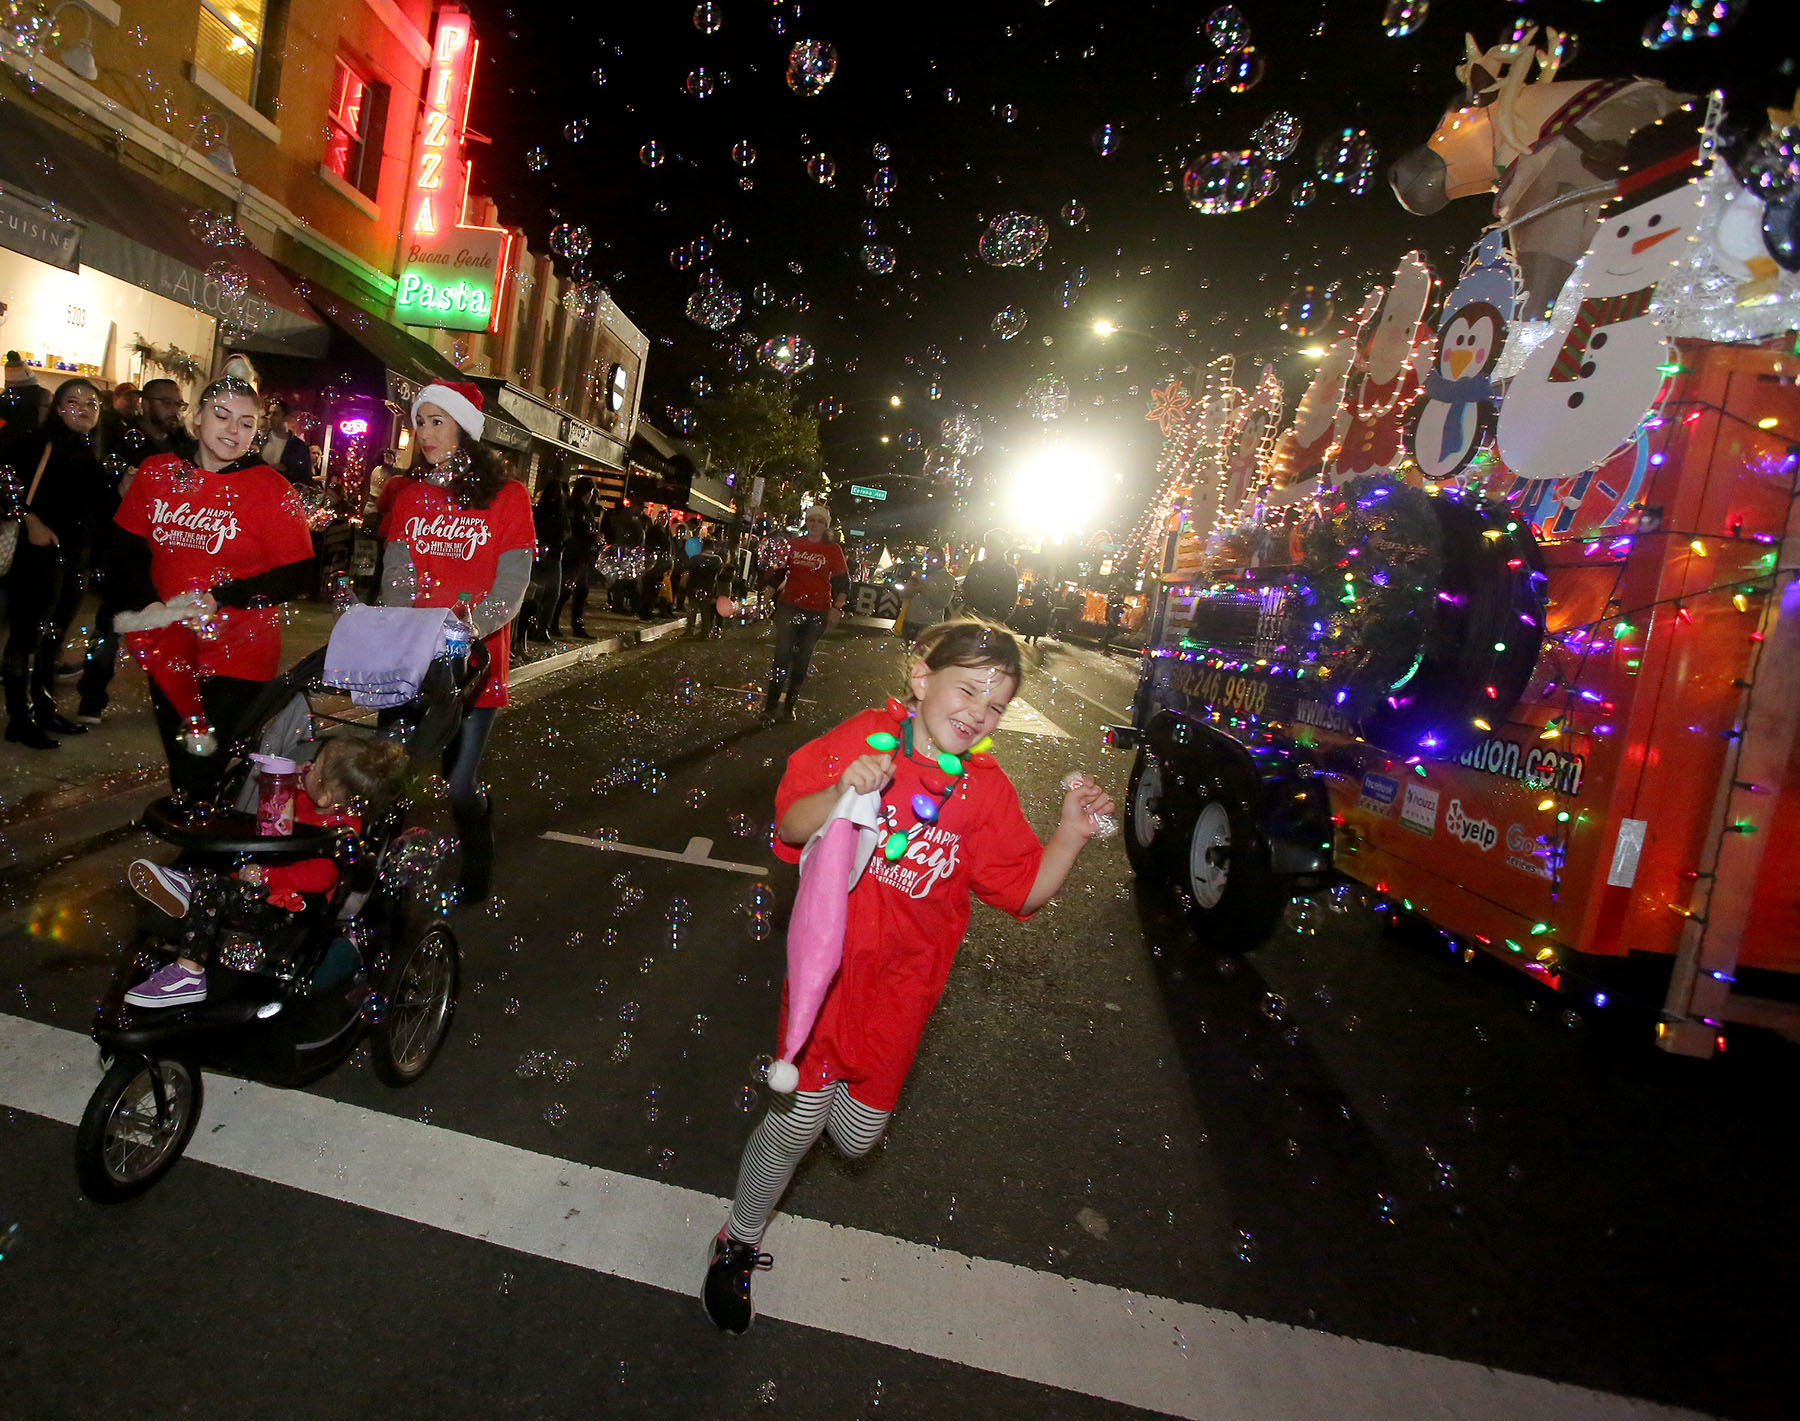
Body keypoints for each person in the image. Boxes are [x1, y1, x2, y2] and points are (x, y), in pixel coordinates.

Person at [703, 620, 1116, 1333]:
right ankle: (737, 1241)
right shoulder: (867, 738)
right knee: (797, 1120)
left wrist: (1072, 834)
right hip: (828, 981)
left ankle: (807, 1121)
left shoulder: (985, 791)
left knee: (858, 1138)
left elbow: (1023, 891)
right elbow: (793, 825)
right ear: (921, 678)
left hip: (903, 993)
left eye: (996, 705)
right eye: (968, 690)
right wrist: (843, 791)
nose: (978, 713)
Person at [103, 376, 315, 794]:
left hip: (240, 651)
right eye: (221, 416)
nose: (233, 431)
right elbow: (124, 551)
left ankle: (200, 855)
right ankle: (201, 842)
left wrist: (222, 598)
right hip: (168, 643)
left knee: (200, 764)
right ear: (196, 417)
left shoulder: (269, 488)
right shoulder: (158, 472)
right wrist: (144, 603)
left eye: (246, 423)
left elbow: (299, 574)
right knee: (182, 765)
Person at [380, 380, 533, 905]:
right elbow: (396, 577)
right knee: (391, 771)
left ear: (465, 429)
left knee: (458, 784)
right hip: (411, 660)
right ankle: (378, 874)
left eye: (437, 420)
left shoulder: (509, 498)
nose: (424, 432)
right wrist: (402, 630)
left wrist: (460, 631)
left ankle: (478, 858)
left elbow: (511, 589)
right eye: (419, 421)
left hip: (473, 666)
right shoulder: (409, 497)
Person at [121, 735, 411, 1007]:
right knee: (212, 874)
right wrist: (286, 786)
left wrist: (267, 876)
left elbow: (323, 876)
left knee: (215, 891)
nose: (306, 765)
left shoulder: (341, 832)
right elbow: (274, 820)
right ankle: (188, 887)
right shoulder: (310, 804)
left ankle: (189, 973)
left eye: (316, 765)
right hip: (263, 892)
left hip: (290, 912)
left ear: (326, 795)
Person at [75, 377, 200, 724]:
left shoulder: (183, 446)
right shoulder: (121, 441)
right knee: (109, 624)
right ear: (145, 402)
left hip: (168, 549)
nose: (174, 411)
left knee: (169, 625)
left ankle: (168, 698)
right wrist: (119, 488)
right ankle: (92, 696)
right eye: (166, 402)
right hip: (127, 546)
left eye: (179, 404)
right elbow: (101, 493)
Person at [1, 378, 108, 748]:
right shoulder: (37, 443)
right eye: (73, 400)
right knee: (28, 636)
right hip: (37, 558)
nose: (83, 407)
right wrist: (30, 520)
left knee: (53, 636)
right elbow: (5, 481)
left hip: (74, 559)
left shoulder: (88, 450)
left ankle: (43, 708)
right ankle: (21, 716)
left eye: (92, 403)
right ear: (58, 407)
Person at [763, 504, 849, 723]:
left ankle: (789, 705)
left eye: (820, 521)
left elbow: (842, 583)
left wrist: (836, 608)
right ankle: (769, 708)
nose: (815, 524)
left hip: (817, 611)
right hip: (790, 606)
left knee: (801, 660)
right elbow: (780, 571)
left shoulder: (833, 550)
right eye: (812, 520)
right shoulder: (794, 545)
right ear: (806, 522)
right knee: (781, 658)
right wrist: (768, 592)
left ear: (826, 525)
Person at [518, 476, 566, 653]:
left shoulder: (544, 512)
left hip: (546, 556)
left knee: (541, 595)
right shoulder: (556, 513)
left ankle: (535, 628)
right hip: (549, 556)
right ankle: (538, 628)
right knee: (543, 595)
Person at [553, 476, 599, 638]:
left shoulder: (585, 509)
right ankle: (553, 624)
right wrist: (591, 536)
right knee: (565, 591)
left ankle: (576, 625)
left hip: (583, 557)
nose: (590, 495)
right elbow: (573, 532)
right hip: (573, 556)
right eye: (590, 492)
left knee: (581, 591)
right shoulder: (574, 508)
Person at [260, 398, 317, 486]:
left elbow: (304, 478)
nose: (270, 418)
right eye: (269, 413)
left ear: (285, 417)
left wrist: (286, 470)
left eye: (275, 414)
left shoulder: (299, 447)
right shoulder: (259, 439)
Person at [959, 543, 1019, 622]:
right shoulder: (976, 567)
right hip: (973, 616)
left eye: (993, 544)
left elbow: (1010, 598)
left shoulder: (1009, 571)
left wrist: (999, 618)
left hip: (990, 618)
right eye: (988, 544)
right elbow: (966, 589)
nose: (989, 548)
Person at [683, 536, 726, 638]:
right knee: (705, 611)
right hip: (709, 588)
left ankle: (689, 630)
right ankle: (705, 632)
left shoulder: (695, 559)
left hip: (693, 587)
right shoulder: (717, 560)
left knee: (692, 610)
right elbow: (719, 573)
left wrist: (684, 584)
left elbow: (687, 572)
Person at [1101, 592, 1126, 656]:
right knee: (1108, 635)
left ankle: (1104, 648)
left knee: (1110, 634)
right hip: (1111, 622)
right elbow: (1110, 614)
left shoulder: (1114, 606)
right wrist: (1113, 622)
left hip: (1112, 622)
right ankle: (1104, 649)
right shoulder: (1112, 606)